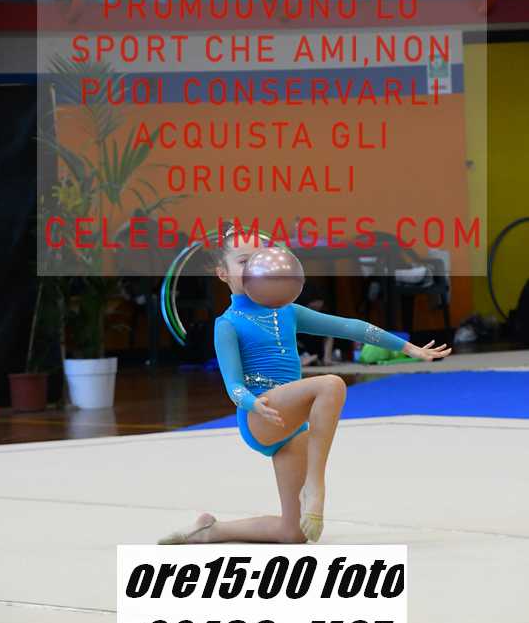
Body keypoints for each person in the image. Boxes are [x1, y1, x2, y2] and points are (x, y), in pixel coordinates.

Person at [158, 226, 451, 545]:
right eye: (244, 262)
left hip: (292, 427)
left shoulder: (288, 312)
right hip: (260, 416)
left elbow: (349, 327)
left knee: (293, 532)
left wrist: (406, 347)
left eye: (260, 258)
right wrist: (253, 403)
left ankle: (212, 530)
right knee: (330, 385)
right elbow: (233, 386)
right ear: (223, 273)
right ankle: (316, 485)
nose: (255, 268)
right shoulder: (227, 324)